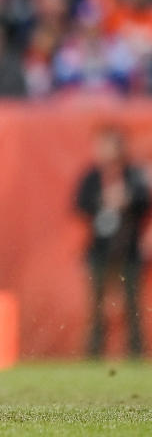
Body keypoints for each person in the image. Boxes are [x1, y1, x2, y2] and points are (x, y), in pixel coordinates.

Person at [75, 124, 150, 359]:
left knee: (131, 304)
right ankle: (94, 353)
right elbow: (79, 204)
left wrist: (126, 198)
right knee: (97, 304)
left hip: (128, 248)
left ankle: (135, 353)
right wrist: (102, 200)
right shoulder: (92, 176)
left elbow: (144, 201)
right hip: (99, 248)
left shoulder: (133, 174)